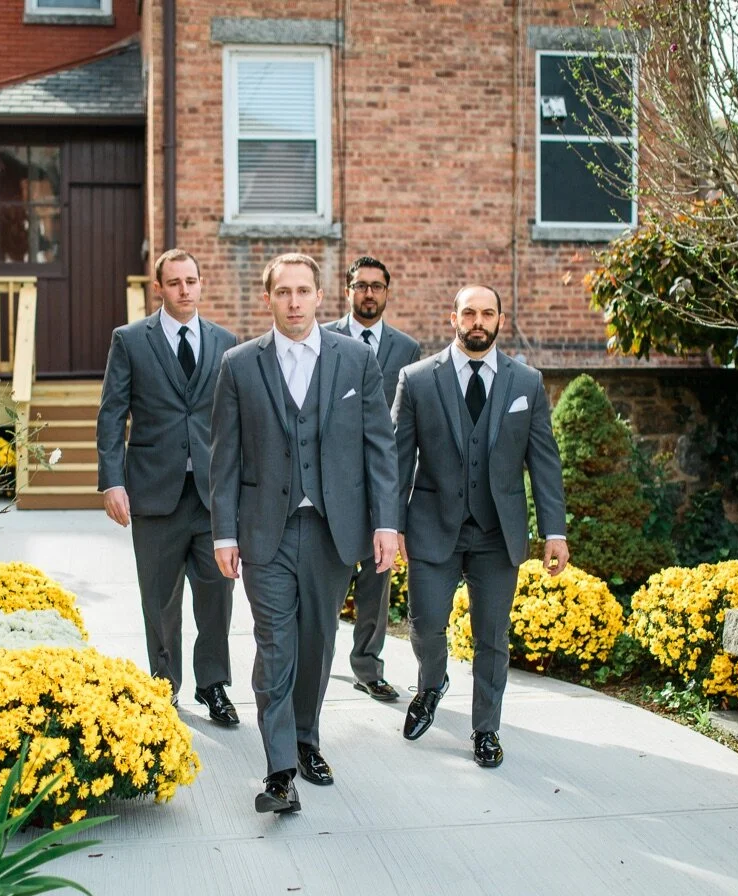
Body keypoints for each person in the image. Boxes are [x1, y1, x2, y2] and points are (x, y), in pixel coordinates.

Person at [210, 253, 399, 814]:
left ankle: (307, 740)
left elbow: (379, 447)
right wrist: (224, 534)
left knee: (317, 644)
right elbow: (224, 458)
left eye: (303, 291)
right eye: (283, 292)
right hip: (264, 529)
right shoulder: (239, 365)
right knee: (276, 646)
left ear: (321, 297)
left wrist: (386, 522)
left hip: (333, 529)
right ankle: (279, 772)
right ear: (267, 298)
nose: (293, 301)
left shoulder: (356, 361)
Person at [392, 285, 569, 767]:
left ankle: (486, 729)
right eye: (469, 312)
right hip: (432, 526)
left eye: (487, 313)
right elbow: (397, 459)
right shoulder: (418, 379)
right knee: (426, 623)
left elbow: (544, 462)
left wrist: (555, 531)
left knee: (492, 636)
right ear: (453, 318)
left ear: (500, 320)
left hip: (497, 533)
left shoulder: (526, 383)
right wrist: (392, 524)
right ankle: (432, 683)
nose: (477, 321)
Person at [96, 249, 240, 726]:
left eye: (191, 280)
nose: (184, 289)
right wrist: (112, 480)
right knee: (159, 600)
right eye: (174, 282)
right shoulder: (131, 340)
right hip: (153, 491)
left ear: (202, 284)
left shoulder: (226, 342)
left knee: (217, 596)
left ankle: (214, 685)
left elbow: (238, 421)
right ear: (159, 288)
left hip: (212, 493)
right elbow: (113, 413)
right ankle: (164, 686)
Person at [322, 256, 421, 702]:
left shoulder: (406, 349)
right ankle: (315, 662)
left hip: (383, 480)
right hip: (333, 480)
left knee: (377, 578)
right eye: (360, 286)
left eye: (377, 287)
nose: (368, 294)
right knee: (328, 578)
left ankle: (367, 665)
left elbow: (408, 422)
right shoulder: (323, 339)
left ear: (387, 292)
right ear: (347, 290)